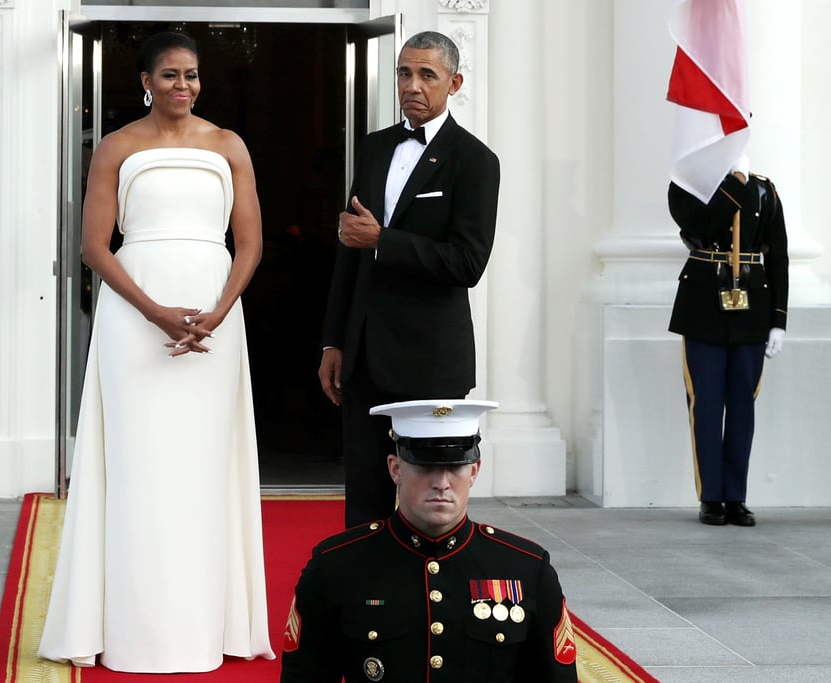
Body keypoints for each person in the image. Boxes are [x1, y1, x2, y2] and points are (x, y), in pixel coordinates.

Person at [38, 31, 274, 672]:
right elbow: (94, 246)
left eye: (192, 75)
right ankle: (133, 629)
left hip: (215, 324)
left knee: (202, 466)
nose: (183, 86)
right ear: (145, 80)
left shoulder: (228, 146)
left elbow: (249, 243)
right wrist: (154, 312)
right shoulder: (118, 146)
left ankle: (206, 626)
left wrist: (219, 312)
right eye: (170, 75)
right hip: (133, 321)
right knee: (137, 464)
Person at [318, 31, 500, 527]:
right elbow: (350, 250)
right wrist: (334, 341)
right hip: (363, 356)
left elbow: (468, 263)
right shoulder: (375, 148)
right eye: (404, 73)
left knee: (433, 500)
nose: (412, 85)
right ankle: (363, 598)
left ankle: (427, 599)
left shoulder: (476, 161)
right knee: (364, 497)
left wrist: (383, 240)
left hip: (431, 360)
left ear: (454, 82)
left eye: (427, 75)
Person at [280, 399, 578, 682]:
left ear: (474, 471)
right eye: (425, 467)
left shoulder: (526, 568)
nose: (442, 482)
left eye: (455, 467)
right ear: (395, 469)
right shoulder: (337, 566)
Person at [668, 155, 788, 527]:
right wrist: (735, 183)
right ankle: (711, 498)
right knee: (704, 405)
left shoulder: (765, 190)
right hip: (704, 306)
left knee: (742, 405)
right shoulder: (687, 185)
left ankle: (736, 497)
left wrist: (778, 321)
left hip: (752, 307)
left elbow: (778, 257)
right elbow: (702, 223)